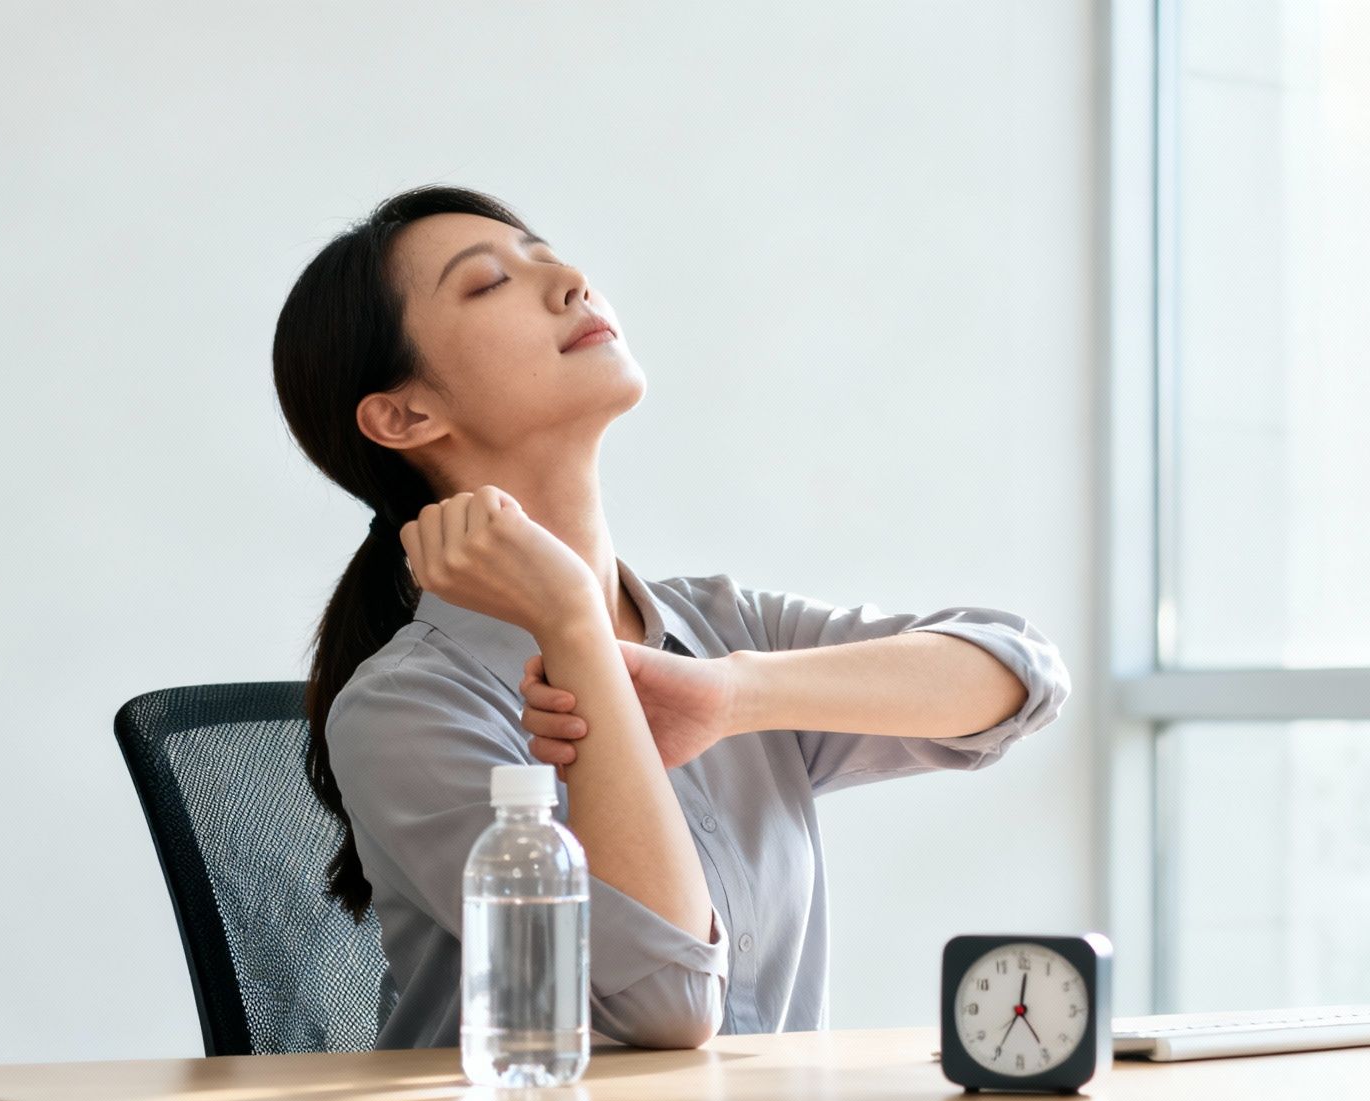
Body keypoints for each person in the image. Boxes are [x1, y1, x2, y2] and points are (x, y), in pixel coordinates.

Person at [270, 185, 1071, 1050]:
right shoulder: (406, 709)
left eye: (550, 254)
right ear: (404, 415)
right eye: (490, 282)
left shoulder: (722, 630)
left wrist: (735, 696)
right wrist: (573, 620)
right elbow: (671, 1009)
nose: (573, 279)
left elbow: (1019, 677)